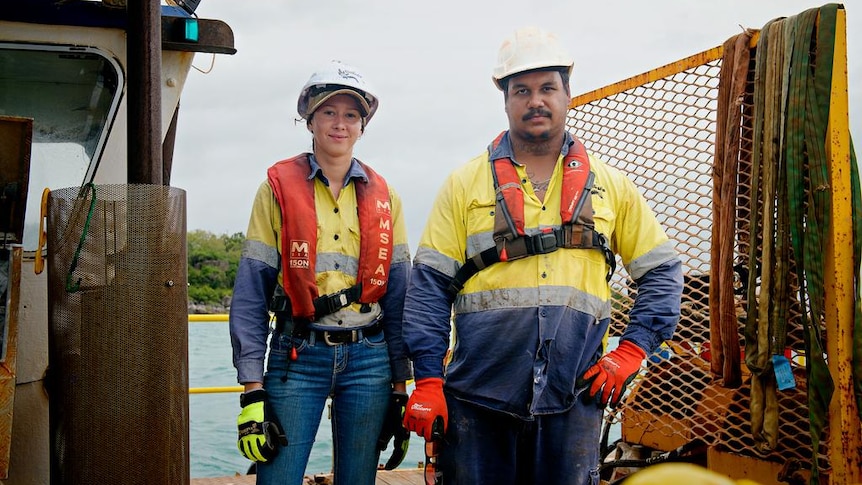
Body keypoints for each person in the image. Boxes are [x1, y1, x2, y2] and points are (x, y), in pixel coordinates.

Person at [401, 26, 683, 484]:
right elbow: (429, 289)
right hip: (476, 401)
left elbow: (663, 272)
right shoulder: (464, 185)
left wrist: (631, 351)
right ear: (505, 99)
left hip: (574, 399)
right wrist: (429, 381)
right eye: (522, 90)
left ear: (568, 94)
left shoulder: (612, 187)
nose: (536, 101)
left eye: (548, 88)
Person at [228, 60, 412, 485]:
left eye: (351, 115)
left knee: (358, 479)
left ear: (364, 125)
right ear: (309, 118)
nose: (340, 124)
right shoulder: (275, 188)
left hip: (370, 358)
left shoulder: (386, 196)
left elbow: (400, 294)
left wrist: (400, 386)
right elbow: (252, 291)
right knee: (278, 478)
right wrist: (252, 391)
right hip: (298, 354)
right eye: (329, 112)